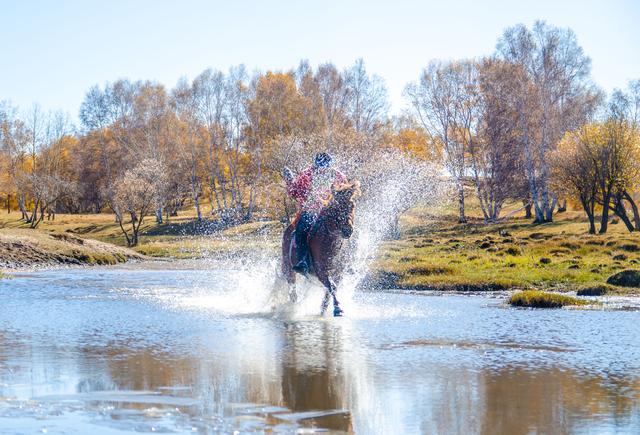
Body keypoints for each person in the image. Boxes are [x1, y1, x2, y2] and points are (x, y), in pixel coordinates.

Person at [283, 152, 347, 274]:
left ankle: (347, 262)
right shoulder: (306, 174)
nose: (322, 171)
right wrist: (290, 181)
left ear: (330, 166)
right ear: (315, 166)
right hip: (311, 211)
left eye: (325, 169)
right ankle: (302, 261)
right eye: (320, 169)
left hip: (331, 212)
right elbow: (295, 192)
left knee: (349, 229)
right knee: (301, 231)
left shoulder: (338, 176)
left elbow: (345, 192)